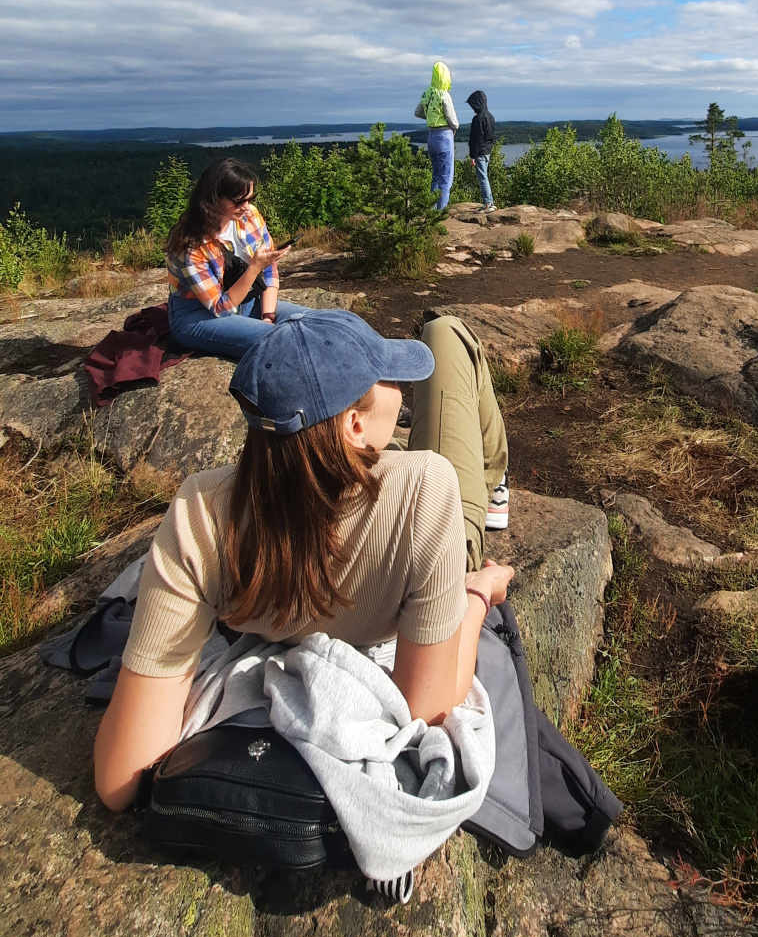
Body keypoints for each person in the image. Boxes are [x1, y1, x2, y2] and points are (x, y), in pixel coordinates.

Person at [93, 310, 514, 811]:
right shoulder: (428, 485)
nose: (398, 380)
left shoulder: (200, 510)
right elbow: (426, 704)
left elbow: (119, 778)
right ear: (355, 424)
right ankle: (496, 481)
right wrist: (477, 594)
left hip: (317, 471)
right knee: (447, 334)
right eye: (386, 376)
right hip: (430, 543)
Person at [165, 157, 310, 359]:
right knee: (282, 342)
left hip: (248, 300)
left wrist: (268, 316)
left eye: (250, 198)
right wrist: (254, 268)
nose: (246, 206)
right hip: (198, 314)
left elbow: (269, 269)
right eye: (239, 201)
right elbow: (219, 307)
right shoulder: (191, 246)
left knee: (316, 324)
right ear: (214, 199)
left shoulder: (249, 216)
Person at [414, 61, 459, 211]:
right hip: (444, 136)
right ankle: (441, 212)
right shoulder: (444, 95)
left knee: (435, 176)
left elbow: (417, 112)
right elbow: (452, 119)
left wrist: (430, 118)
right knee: (446, 177)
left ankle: (431, 210)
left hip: (431, 136)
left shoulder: (427, 93)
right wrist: (454, 128)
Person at [466, 90, 497, 210]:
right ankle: (490, 202)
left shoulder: (478, 119)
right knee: (485, 176)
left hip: (480, 152)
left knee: (482, 177)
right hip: (487, 151)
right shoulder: (490, 116)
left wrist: (473, 155)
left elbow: (476, 139)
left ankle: (488, 203)